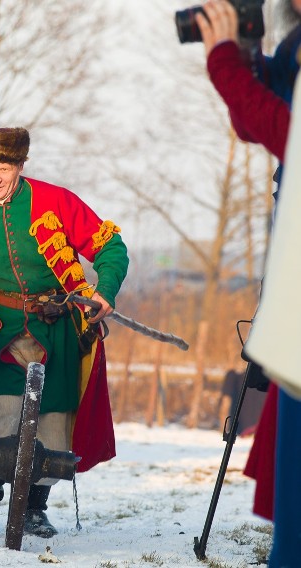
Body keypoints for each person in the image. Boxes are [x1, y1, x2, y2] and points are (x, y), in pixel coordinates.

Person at [0, 127, 128, 537]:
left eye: (3, 168)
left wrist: (105, 291)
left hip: (58, 328)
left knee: (52, 416)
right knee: (0, 412)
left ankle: (35, 506)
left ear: (20, 166)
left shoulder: (56, 200)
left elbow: (111, 246)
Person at [197, 2, 301, 564]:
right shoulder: (294, 46)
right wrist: (243, 58)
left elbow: (287, 131)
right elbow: (253, 120)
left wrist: (224, 64)